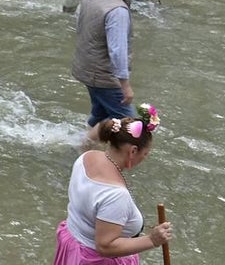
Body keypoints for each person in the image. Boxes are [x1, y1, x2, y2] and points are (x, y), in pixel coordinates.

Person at [52, 107, 173, 264]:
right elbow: (105, 246)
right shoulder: (115, 194)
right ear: (133, 151)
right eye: (145, 154)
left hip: (73, 244)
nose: (144, 159)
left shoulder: (86, 157)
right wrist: (152, 240)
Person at [71, 0, 151, 138]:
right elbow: (118, 50)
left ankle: (82, 147)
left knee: (101, 116)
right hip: (104, 76)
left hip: (85, 67)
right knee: (131, 129)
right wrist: (125, 85)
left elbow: (81, 27)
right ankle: (86, 150)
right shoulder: (117, 10)